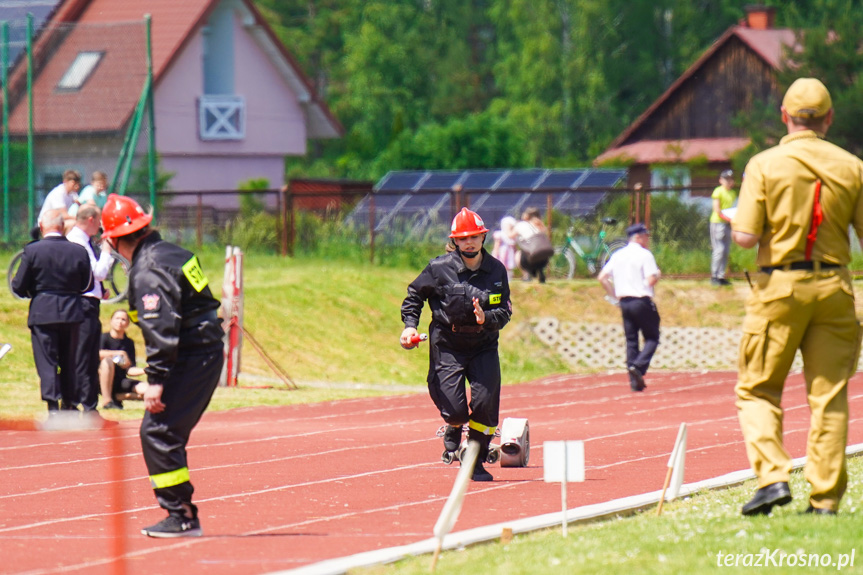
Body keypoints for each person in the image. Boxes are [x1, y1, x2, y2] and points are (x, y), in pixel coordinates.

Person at [731, 78, 863, 517]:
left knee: (757, 390)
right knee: (829, 397)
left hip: (779, 289)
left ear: (784, 115)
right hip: (835, 288)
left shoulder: (765, 163)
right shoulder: (853, 166)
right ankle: (824, 501)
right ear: (828, 119)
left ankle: (772, 478)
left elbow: (746, 236)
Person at [101, 193, 224, 537]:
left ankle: (181, 515)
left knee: (158, 431)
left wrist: (155, 379)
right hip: (204, 346)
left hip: (192, 352)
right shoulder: (174, 253)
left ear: (112, 240)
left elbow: (161, 327)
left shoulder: (148, 269)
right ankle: (181, 512)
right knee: (165, 431)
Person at [400, 207, 512, 482]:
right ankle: (453, 424)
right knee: (455, 410)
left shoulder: (496, 270)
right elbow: (414, 296)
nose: (469, 242)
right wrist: (410, 326)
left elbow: (505, 310)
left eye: (474, 236)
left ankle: (474, 461)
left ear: (483, 237)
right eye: (463, 238)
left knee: (486, 405)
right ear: (455, 241)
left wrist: (487, 317)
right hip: (447, 344)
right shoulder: (439, 268)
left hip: (483, 344)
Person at [10, 209, 92, 413]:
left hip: (43, 311)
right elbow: (87, 285)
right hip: (72, 310)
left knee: (46, 361)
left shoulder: (32, 250)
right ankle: (70, 404)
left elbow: (18, 285)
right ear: (62, 226)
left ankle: (52, 405)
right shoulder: (78, 250)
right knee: (69, 359)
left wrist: (33, 291)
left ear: (42, 226)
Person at [597, 223, 661, 392]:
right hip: (641, 300)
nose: (647, 239)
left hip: (624, 302)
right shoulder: (645, 255)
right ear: (639, 237)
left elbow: (602, 277)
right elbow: (650, 280)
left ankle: (634, 381)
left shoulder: (618, 255)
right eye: (646, 236)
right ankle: (638, 367)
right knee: (652, 337)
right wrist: (657, 275)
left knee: (631, 340)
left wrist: (614, 295)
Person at [67, 204, 115, 414]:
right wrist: (107, 252)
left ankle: (83, 402)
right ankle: (84, 403)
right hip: (82, 305)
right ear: (90, 220)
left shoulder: (82, 240)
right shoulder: (78, 241)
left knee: (86, 354)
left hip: (88, 302)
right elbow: (99, 271)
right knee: (84, 355)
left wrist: (99, 290)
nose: (100, 227)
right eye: (99, 221)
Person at [99, 309, 145, 409]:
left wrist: (146, 370)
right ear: (111, 321)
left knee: (147, 390)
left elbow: (130, 369)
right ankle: (107, 401)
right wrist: (118, 353)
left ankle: (117, 397)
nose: (120, 322)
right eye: (117, 318)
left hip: (121, 381)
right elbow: (96, 354)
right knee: (107, 361)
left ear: (128, 324)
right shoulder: (103, 338)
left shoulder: (129, 343)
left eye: (123, 319)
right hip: (100, 380)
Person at [709, 169, 737, 286]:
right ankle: (714, 276)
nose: (729, 182)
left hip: (727, 224)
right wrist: (727, 218)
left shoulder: (732, 193)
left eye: (730, 179)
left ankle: (721, 276)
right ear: (721, 180)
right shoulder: (718, 191)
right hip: (718, 222)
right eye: (726, 179)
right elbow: (717, 209)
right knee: (719, 249)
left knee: (726, 250)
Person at [514, 207, 551, 283]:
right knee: (538, 252)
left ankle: (527, 275)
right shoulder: (539, 224)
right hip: (544, 258)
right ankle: (540, 272)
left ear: (527, 216)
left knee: (518, 254)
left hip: (530, 258)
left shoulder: (521, 225)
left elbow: (510, 235)